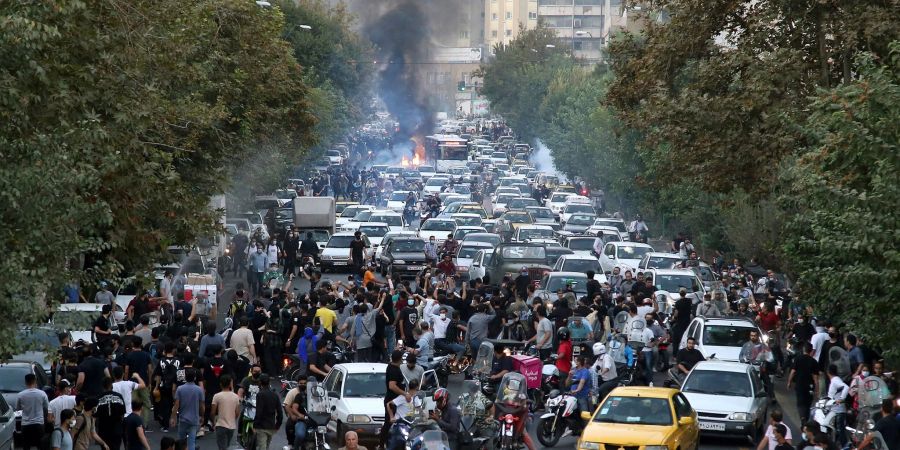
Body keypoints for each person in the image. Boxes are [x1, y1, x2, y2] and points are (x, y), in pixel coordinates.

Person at [170, 368, 204, 450]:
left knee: (181, 440)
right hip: (194, 419)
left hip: (183, 419)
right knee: (191, 441)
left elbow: (176, 405)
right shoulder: (199, 390)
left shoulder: (180, 389)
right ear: (195, 378)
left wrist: (173, 417)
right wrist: (202, 416)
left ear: (185, 377)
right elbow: (201, 406)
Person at [787, 342, 819, 424]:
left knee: (800, 403)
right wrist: (817, 389)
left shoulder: (798, 359)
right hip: (810, 386)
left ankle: (802, 418)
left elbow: (793, 372)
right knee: (808, 404)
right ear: (811, 350)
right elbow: (815, 378)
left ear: (803, 349)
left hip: (800, 385)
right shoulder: (814, 361)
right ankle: (806, 420)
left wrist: (789, 382)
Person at [17, 373, 49, 450]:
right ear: (35, 381)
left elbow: (18, 408)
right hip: (39, 423)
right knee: (41, 445)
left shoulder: (21, 395)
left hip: (26, 424)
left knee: (26, 445)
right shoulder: (42, 394)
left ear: (25, 382)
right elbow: (47, 407)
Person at [95, 377, 127, 450]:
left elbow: (95, 416)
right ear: (111, 385)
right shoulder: (119, 396)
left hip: (103, 430)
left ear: (103, 386)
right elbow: (122, 414)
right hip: (116, 429)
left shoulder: (98, 398)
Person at [253, 374, 283, 450]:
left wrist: (255, 425)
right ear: (269, 382)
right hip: (271, 426)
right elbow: (280, 412)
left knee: (262, 447)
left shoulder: (260, 394)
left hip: (261, 426)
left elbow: (259, 412)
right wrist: (278, 425)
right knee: (267, 446)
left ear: (260, 382)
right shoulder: (275, 395)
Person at [211, 375, 240, 450]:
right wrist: (233, 419)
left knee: (222, 447)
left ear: (220, 384)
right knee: (226, 446)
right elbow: (237, 412)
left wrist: (214, 422)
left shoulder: (217, 396)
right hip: (232, 426)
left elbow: (212, 412)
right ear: (230, 384)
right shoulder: (235, 397)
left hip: (220, 425)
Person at [826, 364, 849, 446]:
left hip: (838, 410)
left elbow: (846, 387)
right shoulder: (834, 380)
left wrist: (841, 398)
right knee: (835, 431)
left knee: (840, 431)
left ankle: (845, 446)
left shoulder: (835, 380)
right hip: (834, 410)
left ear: (828, 372)